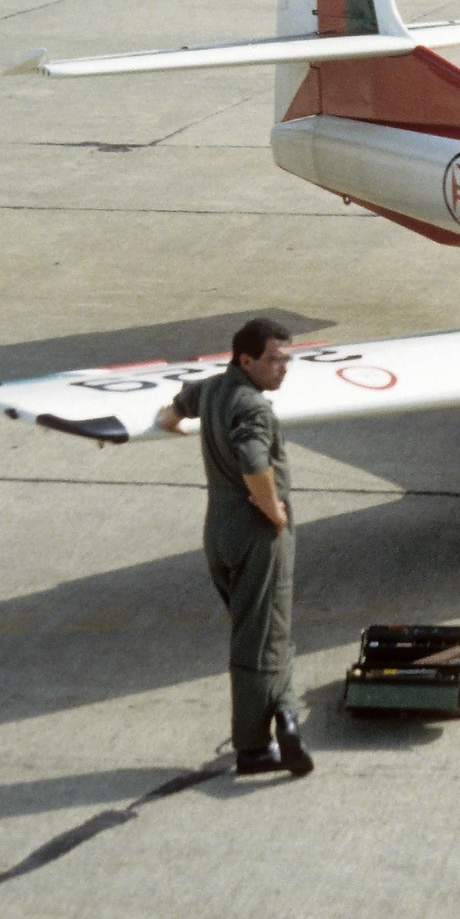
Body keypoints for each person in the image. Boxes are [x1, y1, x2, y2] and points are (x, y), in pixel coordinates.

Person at [157, 318, 313, 776]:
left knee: (264, 629)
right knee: (261, 640)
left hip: (219, 530)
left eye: (287, 358)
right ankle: (253, 746)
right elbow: (254, 463)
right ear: (247, 360)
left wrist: (172, 422)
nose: (284, 368)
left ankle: (284, 715)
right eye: (275, 360)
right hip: (256, 534)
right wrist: (275, 512)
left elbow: (176, 408)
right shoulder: (254, 409)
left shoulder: (215, 390)